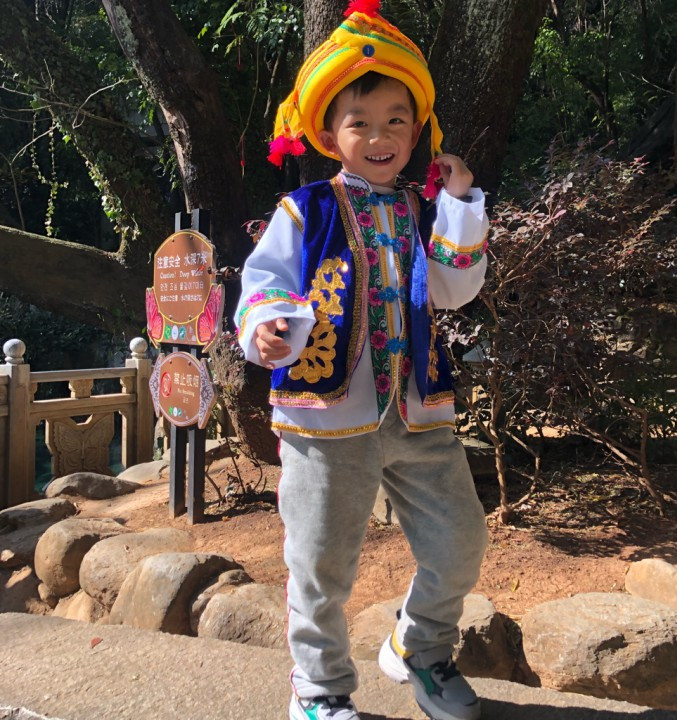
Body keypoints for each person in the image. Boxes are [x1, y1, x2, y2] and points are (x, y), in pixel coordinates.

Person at [235, 2, 489, 718]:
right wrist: (267, 327)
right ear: (329, 134)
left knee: (461, 541)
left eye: (396, 121)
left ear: (418, 132)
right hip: (326, 421)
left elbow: (454, 290)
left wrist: (461, 201)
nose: (380, 137)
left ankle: (420, 647)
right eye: (360, 122)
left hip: (419, 412)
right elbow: (263, 284)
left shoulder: (420, 211)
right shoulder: (304, 209)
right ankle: (317, 688)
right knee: (320, 563)